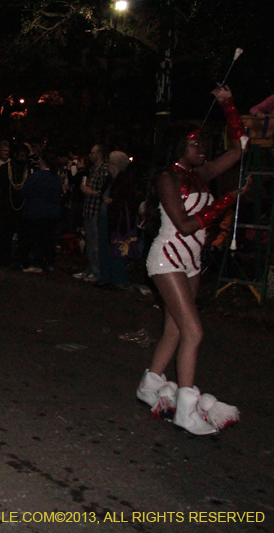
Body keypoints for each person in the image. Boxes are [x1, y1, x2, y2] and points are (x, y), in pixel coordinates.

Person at [136, 85, 247, 435]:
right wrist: (224, 201)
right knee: (193, 331)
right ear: (179, 146)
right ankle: (186, 408)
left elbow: (240, 147)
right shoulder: (167, 177)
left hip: (192, 260)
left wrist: (228, 104)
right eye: (196, 142)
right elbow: (183, 225)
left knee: (174, 329)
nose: (203, 148)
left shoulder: (201, 174)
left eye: (202, 142)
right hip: (168, 257)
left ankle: (150, 384)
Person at [19, 151, 62, 273]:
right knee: (49, 239)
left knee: (37, 239)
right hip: (52, 214)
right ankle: (50, 263)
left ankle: (37, 263)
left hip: (36, 213)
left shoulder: (36, 177)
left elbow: (24, 192)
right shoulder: (56, 178)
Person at [97, 151, 134, 288]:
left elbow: (128, 201)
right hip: (106, 218)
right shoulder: (109, 180)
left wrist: (113, 202)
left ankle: (117, 280)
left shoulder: (124, 181)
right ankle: (105, 278)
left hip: (117, 220)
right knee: (104, 248)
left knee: (116, 249)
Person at [73, 144, 109, 282]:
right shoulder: (93, 169)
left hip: (96, 211)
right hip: (88, 209)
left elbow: (104, 192)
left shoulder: (104, 170)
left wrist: (90, 192)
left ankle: (96, 271)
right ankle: (90, 269)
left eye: (93, 153)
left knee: (95, 244)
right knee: (90, 242)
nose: (90, 155)